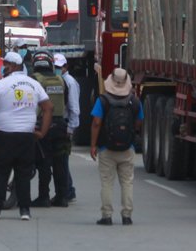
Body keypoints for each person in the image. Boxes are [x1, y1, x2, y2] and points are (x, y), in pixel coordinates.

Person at [0, 51, 52, 221]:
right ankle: (25, 210)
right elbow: (48, 107)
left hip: (4, 134)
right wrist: (42, 132)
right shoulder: (33, 84)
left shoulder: (2, 84)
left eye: (5, 64)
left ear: (12, 66)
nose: (3, 67)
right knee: (23, 173)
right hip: (26, 136)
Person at [90, 66, 142, 226]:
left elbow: (96, 123)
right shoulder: (135, 101)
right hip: (127, 148)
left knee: (107, 182)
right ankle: (127, 215)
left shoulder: (102, 100)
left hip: (106, 148)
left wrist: (93, 145)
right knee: (127, 182)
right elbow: (139, 123)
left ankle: (107, 215)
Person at [30, 51, 70, 208]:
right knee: (60, 163)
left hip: (43, 125)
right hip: (60, 125)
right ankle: (62, 197)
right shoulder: (61, 80)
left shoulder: (34, 80)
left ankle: (43, 197)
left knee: (43, 163)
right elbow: (65, 101)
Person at [54, 53, 80, 203]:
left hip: (65, 123)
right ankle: (68, 188)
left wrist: (71, 128)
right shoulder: (57, 81)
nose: (58, 69)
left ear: (65, 67)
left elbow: (74, 108)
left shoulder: (69, 82)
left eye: (60, 67)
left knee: (62, 160)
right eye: (55, 67)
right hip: (59, 123)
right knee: (60, 160)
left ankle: (68, 190)